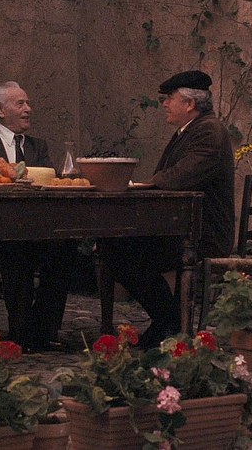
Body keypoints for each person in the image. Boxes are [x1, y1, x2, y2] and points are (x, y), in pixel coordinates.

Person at [100, 70, 235, 349]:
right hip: (182, 229)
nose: (164, 104)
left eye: (170, 98)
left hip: (203, 234)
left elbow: (180, 177)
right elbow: (169, 175)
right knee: (114, 246)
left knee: (121, 252)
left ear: (189, 103)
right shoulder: (189, 131)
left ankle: (169, 321)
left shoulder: (209, 131)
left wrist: (147, 183)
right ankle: (168, 320)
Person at [0, 81, 74, 352]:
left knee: (65, 248)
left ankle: (43, 329)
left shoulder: (38, 147)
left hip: (33, 229)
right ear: (0, 110)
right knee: (16, 250)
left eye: (28, 103)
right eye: (20, 103)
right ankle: (21, 332)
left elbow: (47, 183)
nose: (28, 109)